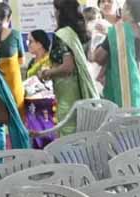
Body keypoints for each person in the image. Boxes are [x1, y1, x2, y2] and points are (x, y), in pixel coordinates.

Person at [40, 0, 99, 134]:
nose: (54, 14)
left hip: (68, 95)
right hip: (80, 90)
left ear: (60, 13)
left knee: (69, 134)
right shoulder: (80, 33)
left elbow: (68, 67)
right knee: (82, 132)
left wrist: (47, 73)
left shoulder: (62, 35)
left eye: (55, 10)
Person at [92, 0, 140, 108]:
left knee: (118, 117)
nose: (121, 11)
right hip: (136, 89)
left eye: (124, 8)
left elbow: (98, 57)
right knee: (135, 116)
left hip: (118, 88)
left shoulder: (119, 31)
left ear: (129, 10)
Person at [0, 3, 25, 112]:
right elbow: (22, 60)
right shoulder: (15, 35)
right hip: (13, 88)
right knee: (17, 116)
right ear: (9, 17)